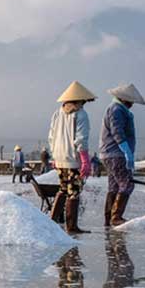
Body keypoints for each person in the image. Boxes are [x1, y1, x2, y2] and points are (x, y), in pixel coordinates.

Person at [47, 81, 95, 235]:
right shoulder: (81, 114)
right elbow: (81, 139)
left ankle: (51, 222)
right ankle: (72, 226)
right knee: (74, 192)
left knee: (62, 189)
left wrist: (54, 156)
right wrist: (85, 160)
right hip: (74, 160)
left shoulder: (57, 113)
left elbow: (51, 137)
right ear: (80, 100)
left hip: (60, 159)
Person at [100, 83, 145, 227]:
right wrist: (126, 151)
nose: (132, 104)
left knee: (114, 187)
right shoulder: (117, 109)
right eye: (130, 101)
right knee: (127, 184)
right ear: (124, 99)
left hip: (110, 153)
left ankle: (109, 219)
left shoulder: (117, 108)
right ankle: (116, 217)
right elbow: (117, 131)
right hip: (116, 153)